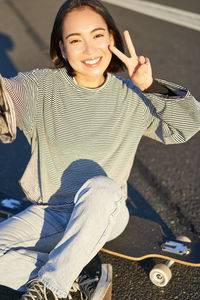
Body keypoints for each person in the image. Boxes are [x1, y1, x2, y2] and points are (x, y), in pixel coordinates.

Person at [0, 0, 200, 299]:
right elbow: (8, 97)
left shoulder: (132, 95)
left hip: (105, 209)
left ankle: (52, 286)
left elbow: (186, 126)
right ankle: (71, 280)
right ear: (62, 48)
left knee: (101, 187)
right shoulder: (41, 87)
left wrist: (151, 87)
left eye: (97, 36)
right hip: (51, 211)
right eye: (75, 40)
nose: (89, 50)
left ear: (112, 39)